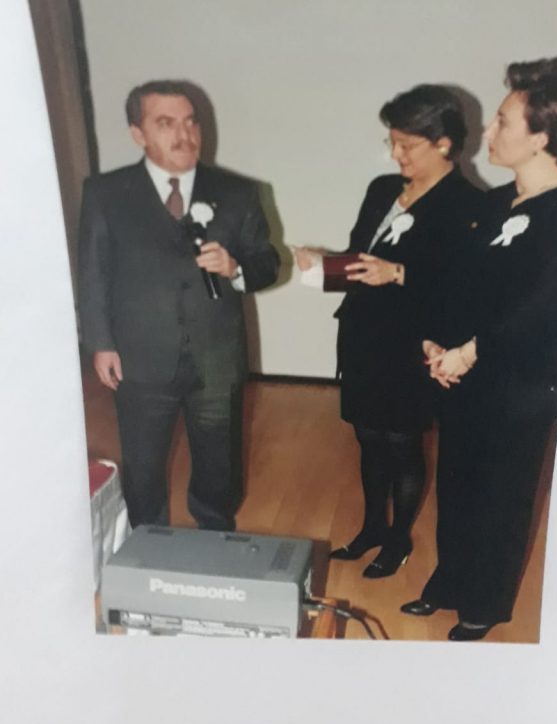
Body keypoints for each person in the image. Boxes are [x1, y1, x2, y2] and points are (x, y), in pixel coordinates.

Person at [401, 57, 557, 640]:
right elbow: (458, 284)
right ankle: (450, 581)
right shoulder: (497, 202)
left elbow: (547, 309)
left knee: (503, 494)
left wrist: (472, 351)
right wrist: (436, 341)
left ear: (542, 137)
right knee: (457, 482)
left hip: (519, 380)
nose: (489, 131)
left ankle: (484, 603)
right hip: (463, 372)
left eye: (502, 121)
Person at [294, 85, 481, 577]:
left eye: (407, 145)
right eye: (391, 142)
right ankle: (372, 528)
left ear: (443, 143)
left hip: (412, 341)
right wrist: (322, 264)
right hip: (363, 333)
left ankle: (399, 540)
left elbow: (461, 287)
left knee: (402, 443)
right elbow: (361, 256)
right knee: (368, 437)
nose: (396, 154)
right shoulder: (383, 189)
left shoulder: (466, 205)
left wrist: (398, 273)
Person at [78, 80, 279, 531]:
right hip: (139, 356)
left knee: (219, 467)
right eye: (166, 123)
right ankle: (147, 545)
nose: (184, 135)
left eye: (191, 122)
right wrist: (101, 343)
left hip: (216, 355)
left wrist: (236, 267)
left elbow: (268, 263)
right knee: (144, 467)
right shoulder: (106, 193)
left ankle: (215, 541)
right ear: (138, 133)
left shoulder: (238, 192)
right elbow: (92, 274)